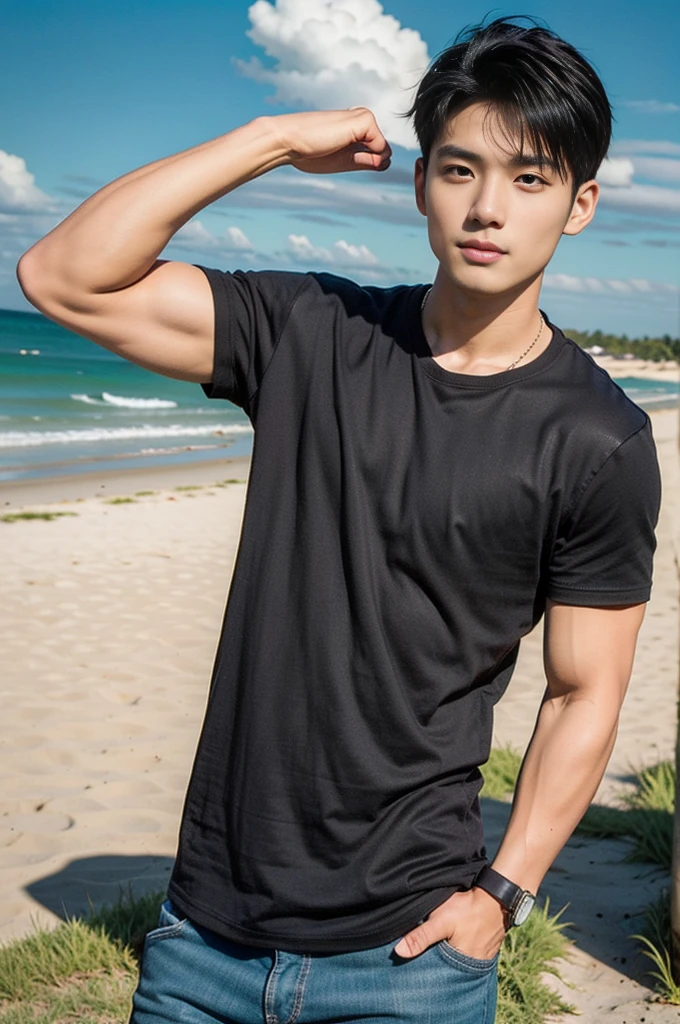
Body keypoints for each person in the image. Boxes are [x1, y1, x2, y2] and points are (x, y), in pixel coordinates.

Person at [17, 15, 661, 1024]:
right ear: (417, 186)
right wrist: (268, 138)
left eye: (528, 178)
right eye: (457, 170)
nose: (487, 206)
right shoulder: (310, 329)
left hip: (410, 962)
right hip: (203, 944)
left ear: (578, 205)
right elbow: (62, 275)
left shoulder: (597, 438)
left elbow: (584, 691)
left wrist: (502, 891)